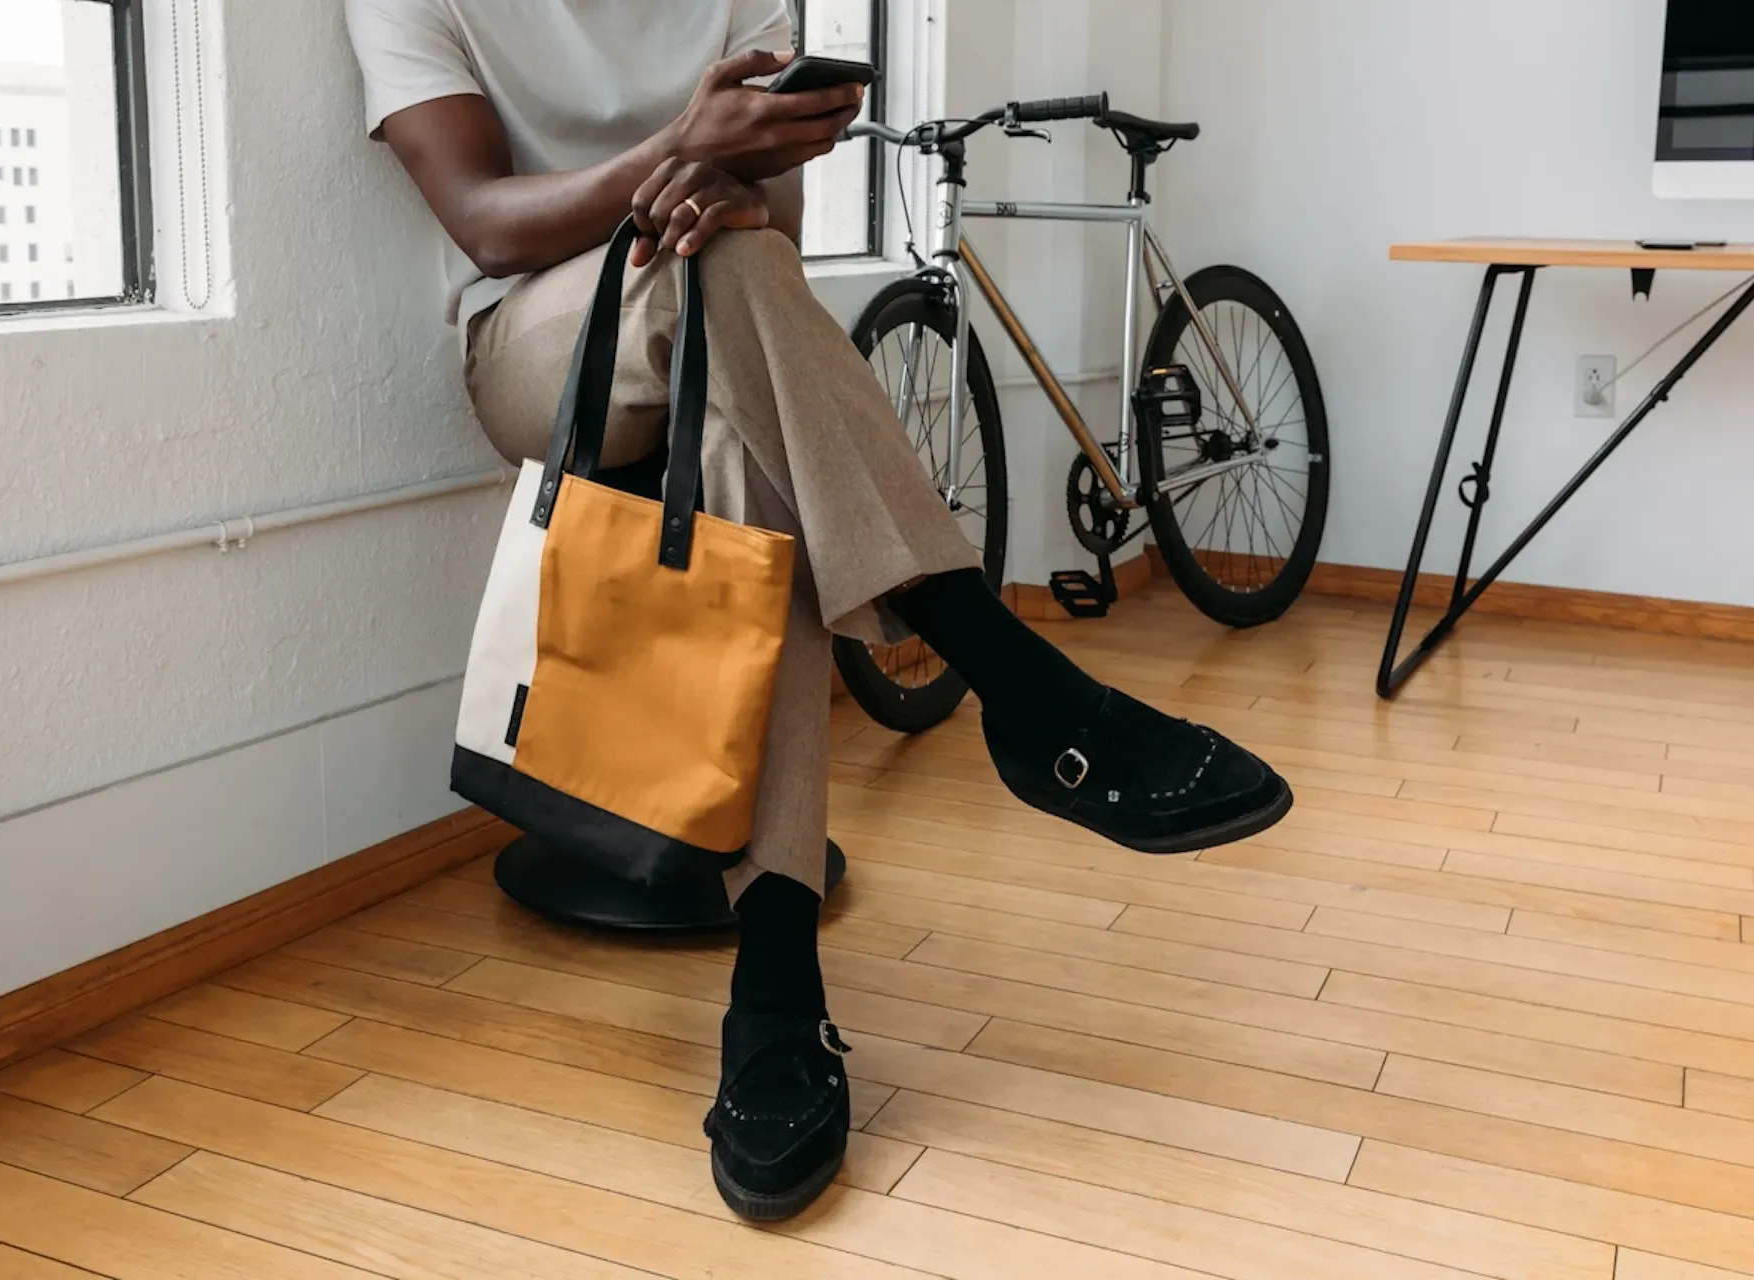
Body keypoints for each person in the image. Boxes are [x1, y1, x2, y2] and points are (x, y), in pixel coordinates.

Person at [345, 0, 1293, 1223]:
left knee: (746, 354)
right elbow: (480, 220)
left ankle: (778, 982)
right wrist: (674, 155)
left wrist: (734, 189)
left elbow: (771, 222)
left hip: (718, 304)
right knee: (721, 283)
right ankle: (1022, 684)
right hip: (537, 344)